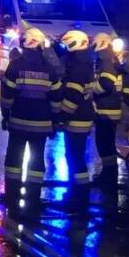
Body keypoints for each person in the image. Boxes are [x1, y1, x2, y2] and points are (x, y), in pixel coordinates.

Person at [0, 27, 62, 206]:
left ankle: (12, 195)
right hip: (41, 125)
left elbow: (7, 96)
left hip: (18, 122)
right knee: (36, 160)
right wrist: (55, 121)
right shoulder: (50, 69)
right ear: (40, 45)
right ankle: (33, 197)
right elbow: (56, 100)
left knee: (14, 160)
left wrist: (6, 116)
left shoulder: (15, 66)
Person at [56, 29, 96, 202]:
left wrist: (62, 117)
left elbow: (73, 96)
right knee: (76, 156)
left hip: (76, 119)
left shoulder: (78, 67)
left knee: (75, 157)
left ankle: (78, 195)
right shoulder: (85, 63)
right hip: (82, 116)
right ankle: (79, 192)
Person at [91, 32, 124, 197]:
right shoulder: (109, 58)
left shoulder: (106, 59)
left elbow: (105, 83)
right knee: (106, 145)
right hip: (109, 110)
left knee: (105, 145)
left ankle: (109, 177)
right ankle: (108, 175)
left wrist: (91, 90)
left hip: (107, 112)